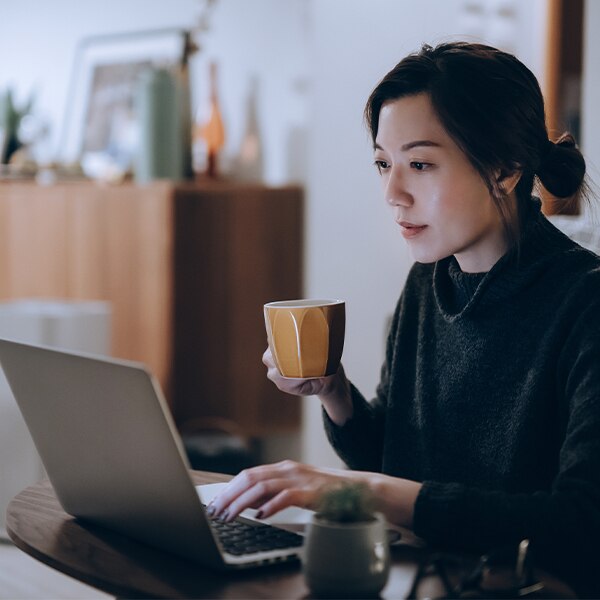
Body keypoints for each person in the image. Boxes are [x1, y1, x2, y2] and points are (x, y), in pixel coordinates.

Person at [207, 41, 600, 596]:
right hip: (424, 581)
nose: (393, 193)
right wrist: (334, 390)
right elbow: (393, 459)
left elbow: (582, 526)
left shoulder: (585, 303)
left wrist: (359, 490)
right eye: (383, 164)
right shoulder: (429, 281)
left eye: (419, 164)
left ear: (506, 168)